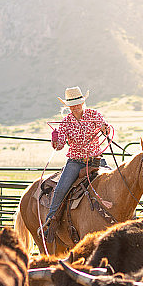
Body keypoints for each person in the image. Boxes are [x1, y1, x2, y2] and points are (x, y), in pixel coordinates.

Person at [39, 86, 111, 243]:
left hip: (96, 160)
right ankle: (50, 222)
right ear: (69, 106)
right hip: (76, 162)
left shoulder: (93, 115)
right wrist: (55, 139)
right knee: (60, 189)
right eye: (73, 105)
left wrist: (105, 129)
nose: (76, 106)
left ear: (82, 102)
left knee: (116, 181)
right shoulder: (66, 122)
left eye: (78, 103)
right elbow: (59, 146)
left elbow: (106, 127)